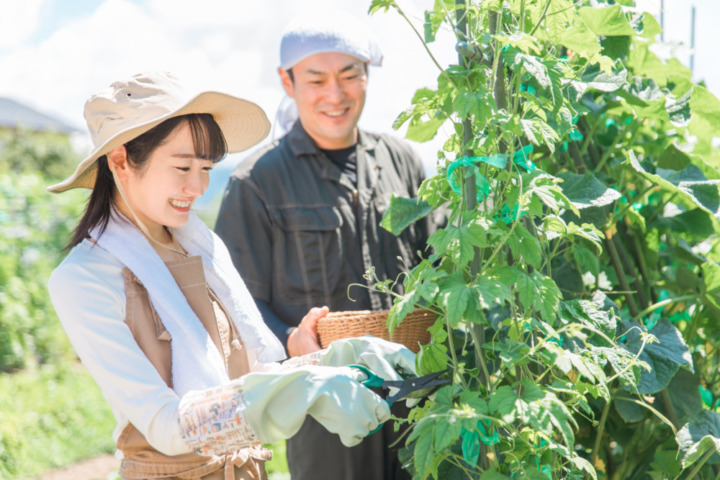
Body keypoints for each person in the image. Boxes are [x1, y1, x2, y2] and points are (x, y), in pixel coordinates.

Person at [47, 71, 418, 480]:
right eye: (183, 166)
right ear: (120, 159)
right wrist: (305, 388)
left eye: (205, 168)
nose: (198, 186)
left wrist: (331, 361)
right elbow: (168, 427)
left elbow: (251, 375)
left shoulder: (202, 247)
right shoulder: (84, 279)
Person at [214, 10, 433, 480]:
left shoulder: (403, 161)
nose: (335, 95)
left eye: (349, 75)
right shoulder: (258, 182)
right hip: (323, 409)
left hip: (420, 397)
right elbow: (235, 305)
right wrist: (287, 338)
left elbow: (439, 265)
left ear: (366, 76)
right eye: (316, 79)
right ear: (287, 82)